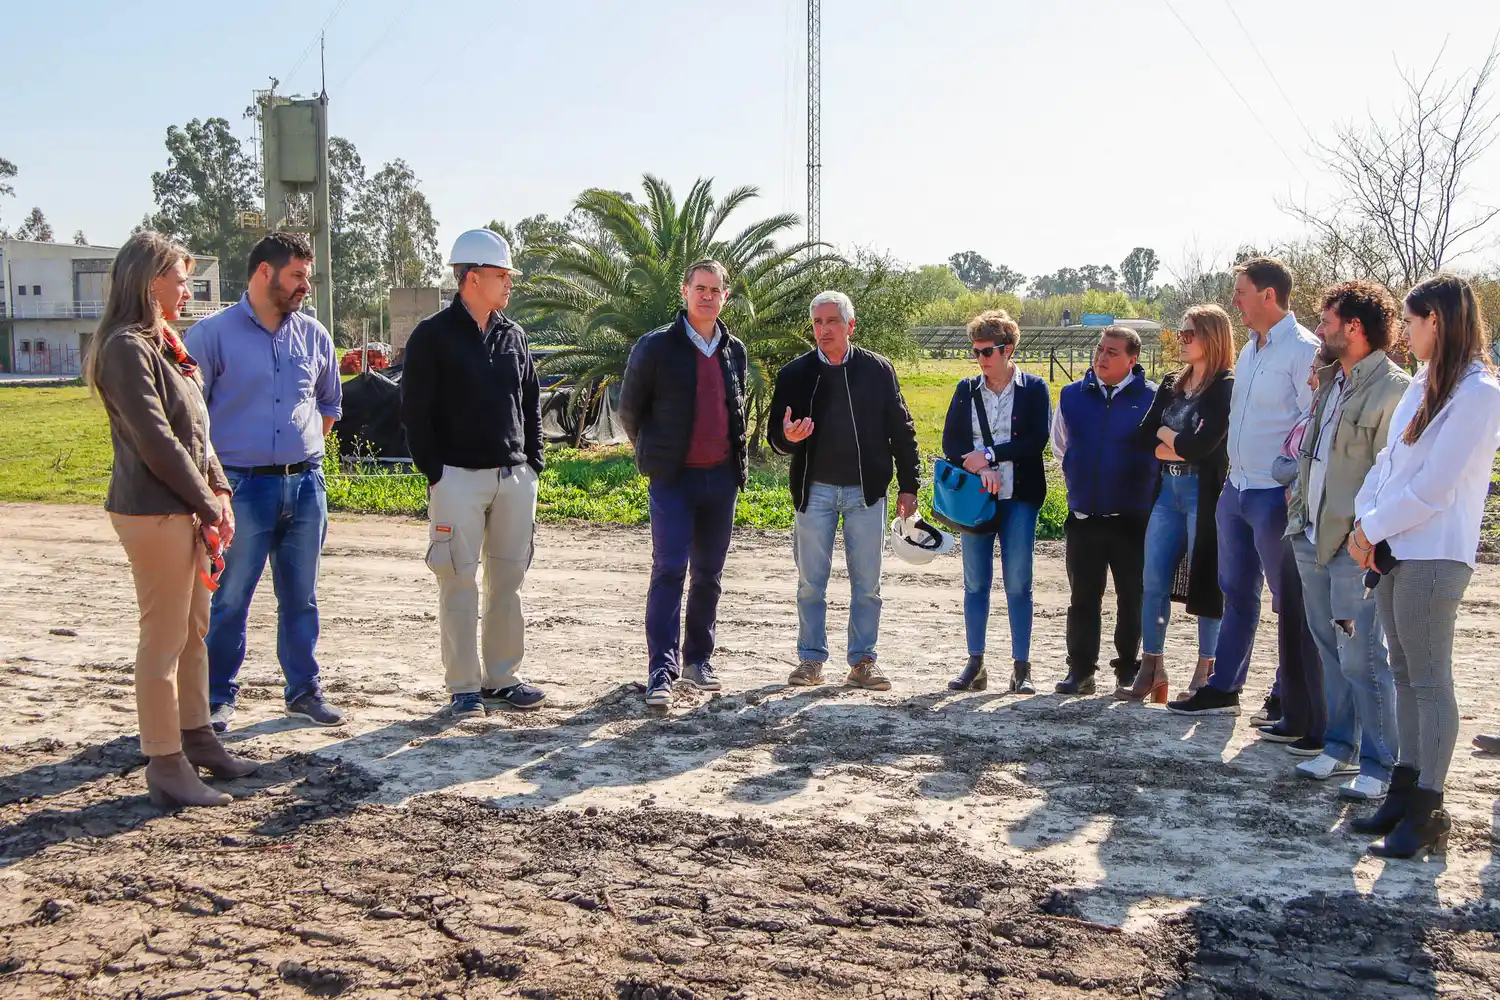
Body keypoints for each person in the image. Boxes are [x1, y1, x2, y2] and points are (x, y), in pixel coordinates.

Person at [86, 231, 258, 808]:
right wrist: (208, 502)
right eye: (181, 279)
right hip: (153, 511)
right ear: (149, 279)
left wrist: (219, 490)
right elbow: (158, 442)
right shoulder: (125, 348)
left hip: (184, 507)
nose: (188, 289)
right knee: (162, 640)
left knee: (193, 632)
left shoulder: (165, 346)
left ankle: (198, 737)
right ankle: (164, 761)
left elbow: (196, 433)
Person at [1347, 274, 1500, 859]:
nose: (1405, 334)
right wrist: (1365, 521)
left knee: (1431, 679)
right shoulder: (1422, 381)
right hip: (1394, 547)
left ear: (1437, 319)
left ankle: (1428, 808)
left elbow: (1436, 488)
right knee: (1405, 672)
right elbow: (1388, 463)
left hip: (1435, 550)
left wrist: (1371, 528)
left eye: (1411, 322)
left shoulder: (1479, 393)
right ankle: (1404, 788)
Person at [187, 233, 345, 732]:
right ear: (263, 273)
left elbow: (329, 405)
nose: (305, 287)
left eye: (307, 276)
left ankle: (303, 690)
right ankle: (215, 696)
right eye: (297, 275)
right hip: (240, 489)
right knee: (231, 596)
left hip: (305, 487)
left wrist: (299, 457)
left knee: (301, 596)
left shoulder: (315, 335)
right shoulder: (212, 336)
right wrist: (215, 487)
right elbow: (191, 418)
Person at [399, 229, 548, 718]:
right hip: (456, 479)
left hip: (513, 478)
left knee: (508, 580)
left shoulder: (513, 335)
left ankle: (502, 679)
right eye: (502, 276)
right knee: (458, 581)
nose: (509, 285)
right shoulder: (431, 337)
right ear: (471, 278)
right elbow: (415, 413)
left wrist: (533, 465)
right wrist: (435, 473)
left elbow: (530, 403)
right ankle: (463, 686)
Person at [1170, 257, 1322, 726]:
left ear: (1268, 295)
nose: (1234, 299)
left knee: (1289, 599)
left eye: (1240, 291)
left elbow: (1311, 423)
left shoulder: (1303, 350)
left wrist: (1290, 486)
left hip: (1274, 494)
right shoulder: (1251, 351)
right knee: (1235, 592)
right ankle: (1224, 687)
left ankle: (1287, 694)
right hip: (1236, 489)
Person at [1283, 281, 1409, 800]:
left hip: (1354, 547)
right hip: (1310, 536)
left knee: (1363, 658)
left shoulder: (1394, 391)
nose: (1319, 329)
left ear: (1353, 328)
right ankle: (1339, 749)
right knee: (1329, 649)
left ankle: (1380, 765)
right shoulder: (1331, 381)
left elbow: (1390, 475)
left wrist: (1367, 538)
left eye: (1327, 321)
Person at [768, 291, 921, 690]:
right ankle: (810, 660)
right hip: (813, 491)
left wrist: (909, 486)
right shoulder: (793, 375)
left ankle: (863, 661)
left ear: (851, 326)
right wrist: (788, 438)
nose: (823, 330)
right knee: (810, 583)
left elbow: (902, 430)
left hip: (865, 492)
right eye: (817, 323)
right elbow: (775, 440)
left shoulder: (877, 370)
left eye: (832, 321)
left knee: (867, 584)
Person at [619, 259, 749, 709]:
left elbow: (736, 409)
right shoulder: (656, 347)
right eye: (700, 288)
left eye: (715, 290)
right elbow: (630, 411)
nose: (707, 296)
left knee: (709, 575)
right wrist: (656, 453)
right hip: (673, 480)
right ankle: (661, 668)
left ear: (725, 296)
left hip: (722, 479)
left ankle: (698, 660)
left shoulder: (735, 350)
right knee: (670, 568)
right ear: (684, 291)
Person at [1124, 306, 1234, 702]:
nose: (1182, 339)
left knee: (1207, 582)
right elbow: (1143, 438)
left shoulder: (1225, 386)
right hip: (1167, 493)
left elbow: (1204, 448)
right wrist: (1176, 444)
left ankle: (1207, 670)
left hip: (1203, 494)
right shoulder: (1173, 382)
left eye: (1189, 333)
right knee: (1151, 581)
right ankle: (1152, 666)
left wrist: (1168, 439)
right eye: (1181, 332)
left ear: (1212, 336)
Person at [941, 310, 1052, 694]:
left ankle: (1022, 666)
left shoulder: (1034, 388)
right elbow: (951, 444)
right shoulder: (965, 390)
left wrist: (989, 456)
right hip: (976, 500)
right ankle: (975, 663)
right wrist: (976, 468)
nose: (981, 359)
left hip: (1019, 497)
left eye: (987, 351)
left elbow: (1035, 441)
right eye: (976, 352)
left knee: (1019, 583)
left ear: (1008, 349)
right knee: (975, 584)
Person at [1049, 326, 1158, 695]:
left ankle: (1128, 669)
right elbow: (1061, 448)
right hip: (1084, 517)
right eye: (1099, 349)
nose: (1102, 357)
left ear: (1132, 359)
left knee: (1132, 596)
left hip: (1132, 519)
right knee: (1083, 597)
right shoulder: (1071, 396)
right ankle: (1080, 671)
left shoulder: (1153, 399)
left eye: (1112, 351)